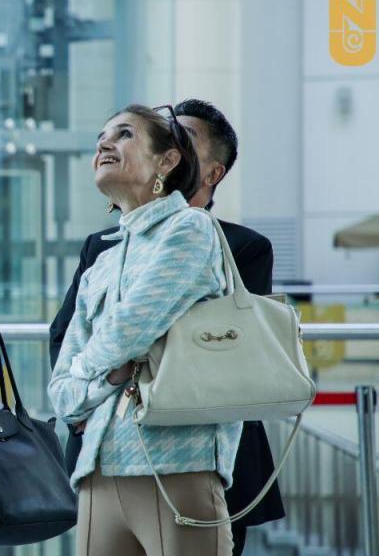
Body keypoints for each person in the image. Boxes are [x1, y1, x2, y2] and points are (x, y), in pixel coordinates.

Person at [48, 98, 285, 555]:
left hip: (176, 462)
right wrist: (109, 375)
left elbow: (127, 330)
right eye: (102, 138)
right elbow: (62, 391)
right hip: (98, 470)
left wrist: (92, 378)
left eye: (123, 134)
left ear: (168, 160)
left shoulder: (190, 230)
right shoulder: (104, 258)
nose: (105, 144)